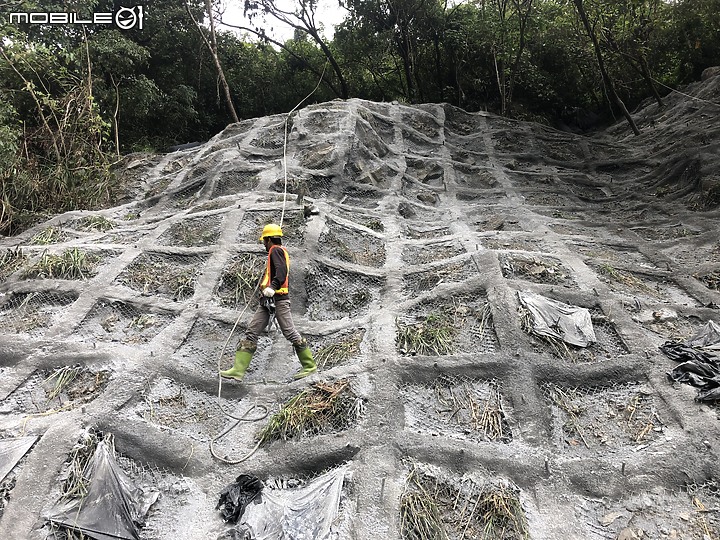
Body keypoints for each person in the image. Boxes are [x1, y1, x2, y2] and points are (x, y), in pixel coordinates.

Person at [220, 223, 317, 381]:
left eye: (264, 241)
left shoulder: (275, 250)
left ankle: (309, 366)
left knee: (289, 331)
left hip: (278, 299)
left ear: (269, 239)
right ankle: (238, 371)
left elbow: (281, 271)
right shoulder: (277, 251)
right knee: (252, 331)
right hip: (268, 301)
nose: (264, 244)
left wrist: (272, 286)